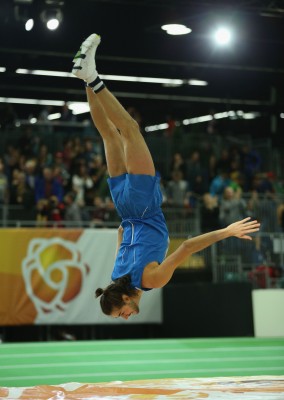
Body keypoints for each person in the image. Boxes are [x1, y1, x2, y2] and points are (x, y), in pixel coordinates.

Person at [72, 33, 261, 320]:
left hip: (143, 205)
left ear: (125, 298)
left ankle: (94, 78)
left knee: (130, 130)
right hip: (124, 209)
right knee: (110, 137)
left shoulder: (151, 281)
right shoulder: (116, 274)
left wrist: (227, 232)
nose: (127, 316)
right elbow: (121, 235)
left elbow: (186, 246)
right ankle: (86, 80)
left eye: (121, 312)